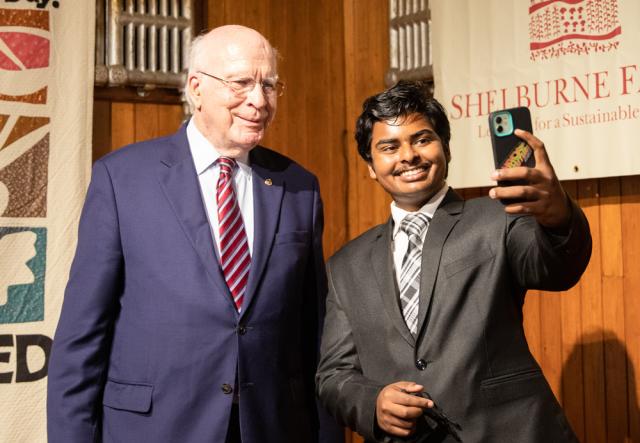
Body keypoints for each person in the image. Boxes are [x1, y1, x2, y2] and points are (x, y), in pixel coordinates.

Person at [48, 25, 342, 443]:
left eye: (269, 85)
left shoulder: (299, 187)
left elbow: (313, 333)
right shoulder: (122, 179)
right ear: (196, 88)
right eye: (241, 82)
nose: (259, 100)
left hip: (272, 426)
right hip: (155, 428)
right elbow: (83, 335)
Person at [316, 80, 591, 442]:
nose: (408, 155)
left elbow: (558, 268)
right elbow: (334, 375)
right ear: (370, 164)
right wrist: (373, 403)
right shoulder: (345, 266)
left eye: (422, 139)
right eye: (388, 146)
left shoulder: (501, 217)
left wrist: (557, 214)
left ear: (445, 147)